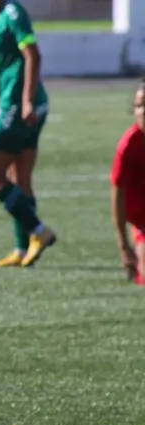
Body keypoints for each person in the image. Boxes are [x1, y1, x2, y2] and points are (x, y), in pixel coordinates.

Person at [0, 0, 56, 268]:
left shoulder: (12, 12)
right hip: (25, 104)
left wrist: (25, 101)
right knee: (19, 178)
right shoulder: (5, 13)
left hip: (17, 106)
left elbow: (33, 54)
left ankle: (38, 231)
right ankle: (23, 248)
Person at [110, 79, 145, 286]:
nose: (143, 111)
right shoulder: (128, 147)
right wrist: (124, 246)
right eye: (140, 105)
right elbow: (118, 196)